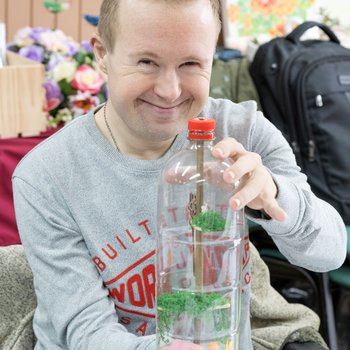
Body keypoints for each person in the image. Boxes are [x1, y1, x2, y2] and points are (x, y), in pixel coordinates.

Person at [12, 0, 347, 349]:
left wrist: (275, 197)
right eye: (146, 62)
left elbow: (331, 252)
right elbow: (84, 332)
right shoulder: (46, 176)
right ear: (102, 53)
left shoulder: (241, 132)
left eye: (191, 63)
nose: (169, 90)